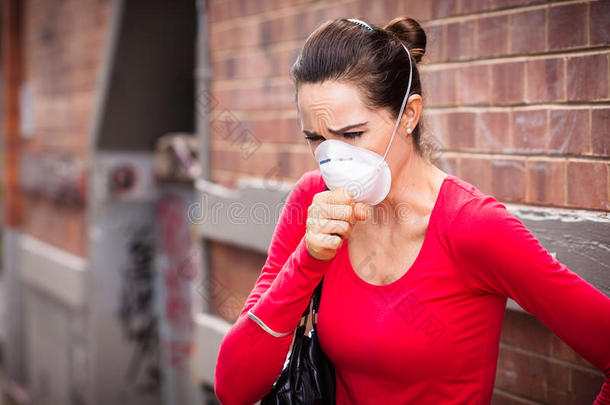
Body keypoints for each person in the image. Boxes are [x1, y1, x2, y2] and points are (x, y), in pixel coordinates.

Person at [214, 16, 610, 404]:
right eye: (315, 138)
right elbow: (233, 389)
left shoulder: (473, 226)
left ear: (409, 115)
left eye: (353, 134)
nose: (331, 157)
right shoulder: (312, 199)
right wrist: (308, 260)